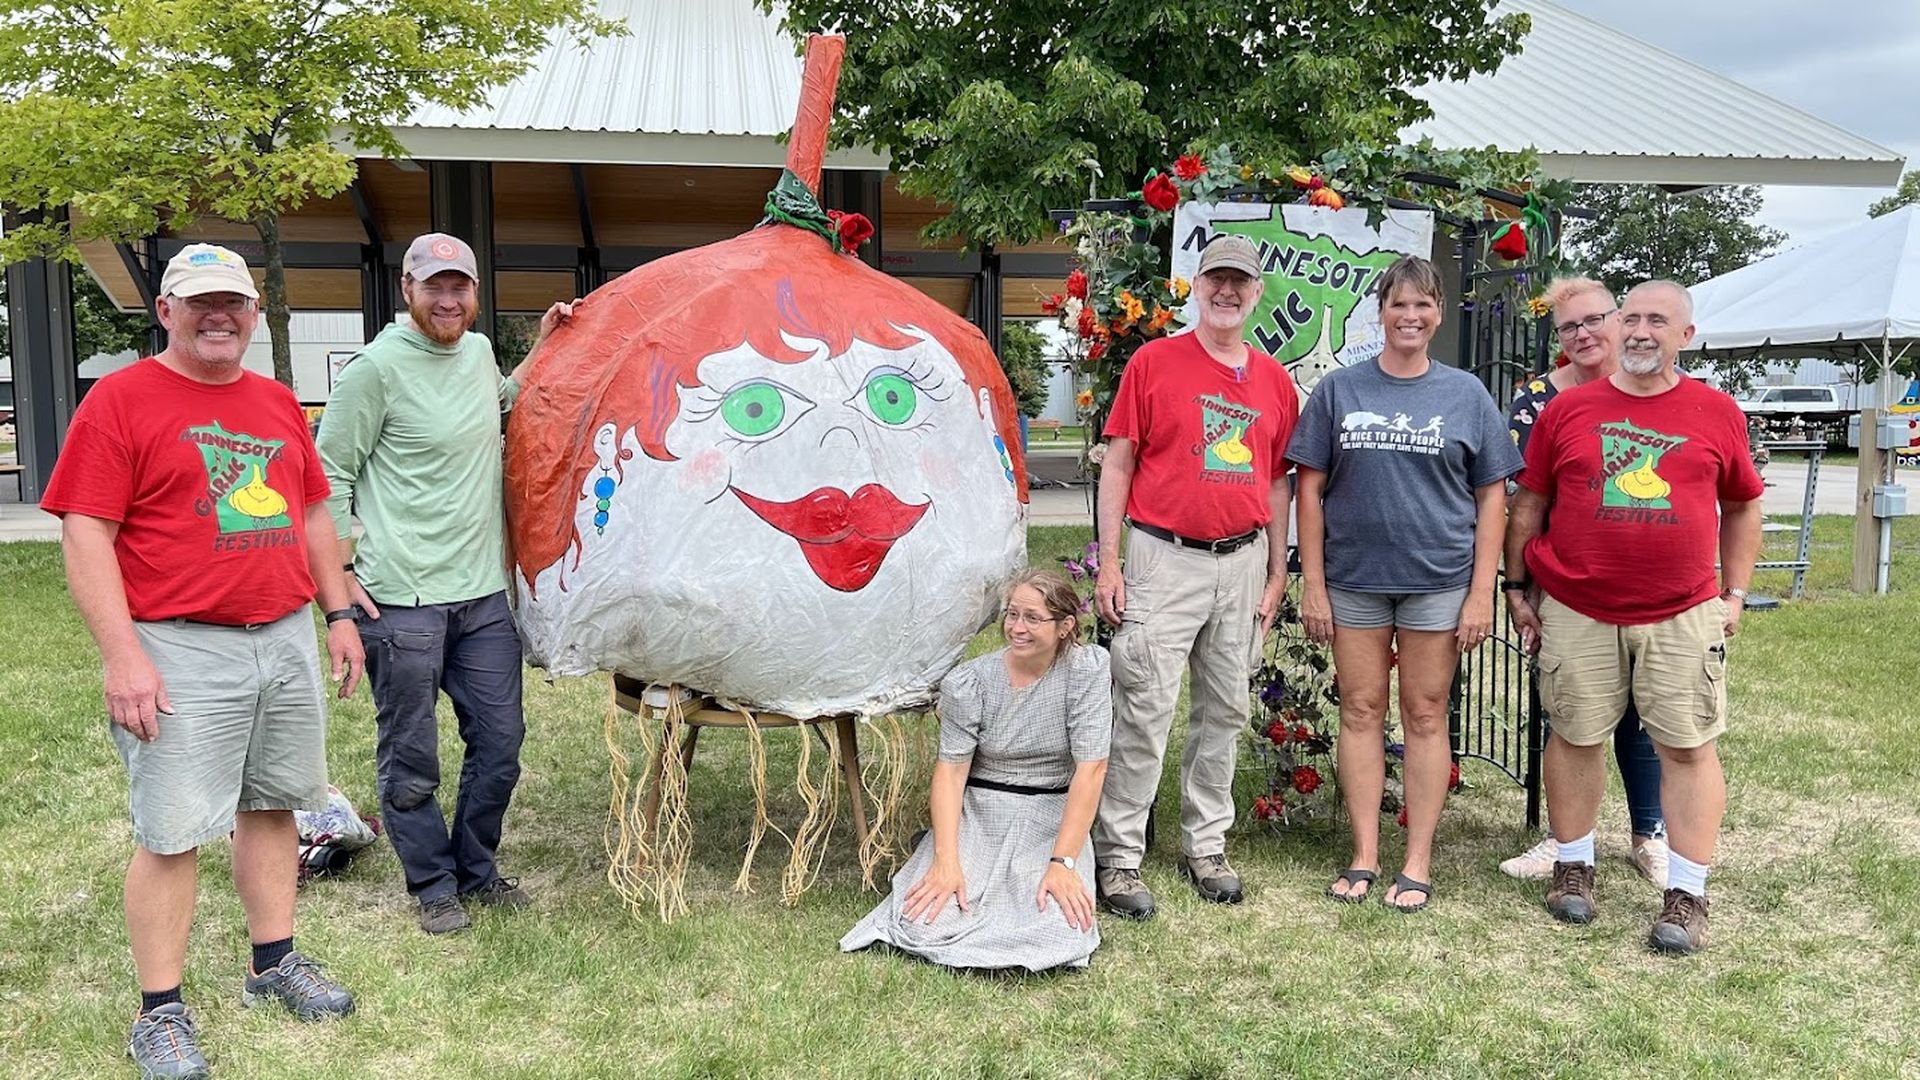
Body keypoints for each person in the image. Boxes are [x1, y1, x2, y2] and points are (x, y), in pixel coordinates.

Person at [43, 244, 362, 1079]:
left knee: (274, 806)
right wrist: (124, 657)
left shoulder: (276, 400)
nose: (219, 316)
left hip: (284, 633)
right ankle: (160, 1013)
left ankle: (273, 962)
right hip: (178, 643)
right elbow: (86, 534)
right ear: (165, 312)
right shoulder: (120, 401)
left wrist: (336, 614)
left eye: (234, 303)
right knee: (174, 829)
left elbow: (313, 514)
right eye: (200, 303)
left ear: (255, 316)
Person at [317, 233, 574, 934]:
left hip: (481, 595)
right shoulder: (375, 370)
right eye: (434, 287)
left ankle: (477, 869)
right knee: (412, 753)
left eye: (459, 286)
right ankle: (432, 882)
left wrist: (543, 347)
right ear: (407, 290)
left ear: (474, 293)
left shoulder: (479, 350)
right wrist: (339, 575)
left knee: (500, 743)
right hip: (399, 598)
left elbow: (497, 404)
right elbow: (328, 474)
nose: (449, 299)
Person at [1506, 280, 1763, 954]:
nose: (1643, 330)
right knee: (1575, 735)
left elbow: (1741, 505)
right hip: (1576, 606)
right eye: (1635, 318)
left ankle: (1687, 892)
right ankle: (1574, 864)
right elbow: (1528, 504)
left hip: (1681, 610)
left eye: (1659, 320)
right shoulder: (1569, 410)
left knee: (1687, 746)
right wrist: (1514, 587)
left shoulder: (1715, 410)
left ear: (1686, 335)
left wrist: (1734, 593)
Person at [1287, 255, 1521, 913]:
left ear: (1438, 313)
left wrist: (1482, 592)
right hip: (1355, 580)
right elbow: (1309, 490)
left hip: (1438, 582)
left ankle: (1416, 860)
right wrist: (1314, 583)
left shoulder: (1466, 394)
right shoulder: (1340, 390)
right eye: (1398, 305)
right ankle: (1364, 854)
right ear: (1380, 313)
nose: (1410, 317)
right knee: (1360, 710)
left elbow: (1493, 497)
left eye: (1422, 306)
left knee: (1423, 714)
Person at [1092, 234, 1298, 918]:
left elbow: (1275, 482)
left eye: (1240, 281)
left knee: (1226, 711)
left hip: (1240, 563)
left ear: (1256, 292)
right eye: (1216, 279)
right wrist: (1111, 562)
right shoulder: (1154, 363)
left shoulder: (1273, 381)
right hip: (1163, 557)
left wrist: (1276, 571)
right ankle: (1119, 858)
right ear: (1197, 285)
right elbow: (1118, 465)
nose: (1226, 292)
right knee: (1144, 710)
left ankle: (1205, 846)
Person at [841, 569, 1111, 972]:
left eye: (1032, 618)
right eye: (1012, 615)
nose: (1017, 628)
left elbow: (1092, 770)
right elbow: (950, 774)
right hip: (981, 809)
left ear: (1065, 626)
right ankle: (936, 849)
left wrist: (1064, 864)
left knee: (1056, 924)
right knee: (923, 919)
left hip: (1050, 814)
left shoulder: (1086, 670)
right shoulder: (972, 682)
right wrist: (946, 860)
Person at [1500, 277, 1669, 887]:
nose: (1584, 334)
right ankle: (1568, 840)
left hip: (1651, 584)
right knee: (1571, 709)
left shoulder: (1655, 387)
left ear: (1620, 320)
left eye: (1595, 320)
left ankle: (1649, 834)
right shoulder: (1538, 400)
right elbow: (1523, 499)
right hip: (1564, 582)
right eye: (1569, 326)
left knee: (1647, 714)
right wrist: (1524, 584)